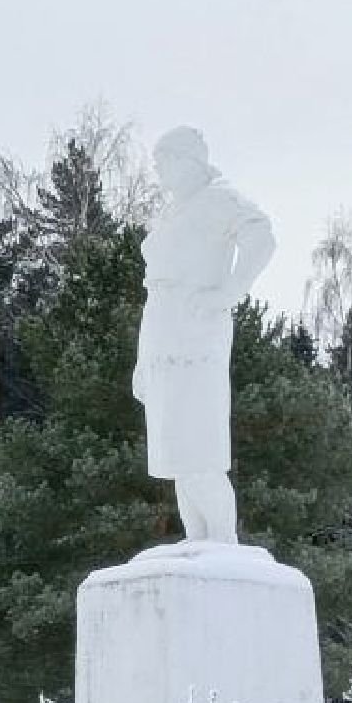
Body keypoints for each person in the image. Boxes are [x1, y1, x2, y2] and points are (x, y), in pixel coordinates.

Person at [134, 126, 275, 546]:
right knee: (175, 452)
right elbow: (154, 294)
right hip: (162, 331)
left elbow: (261, 235)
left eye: (165, 161)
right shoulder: (171, 213)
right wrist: (143, 361)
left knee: (198, 447)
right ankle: (198, 541)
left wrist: (229, 292)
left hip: (196, 332)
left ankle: (222, 544)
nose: (159, 171)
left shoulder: (218, 197)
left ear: (189, 159)